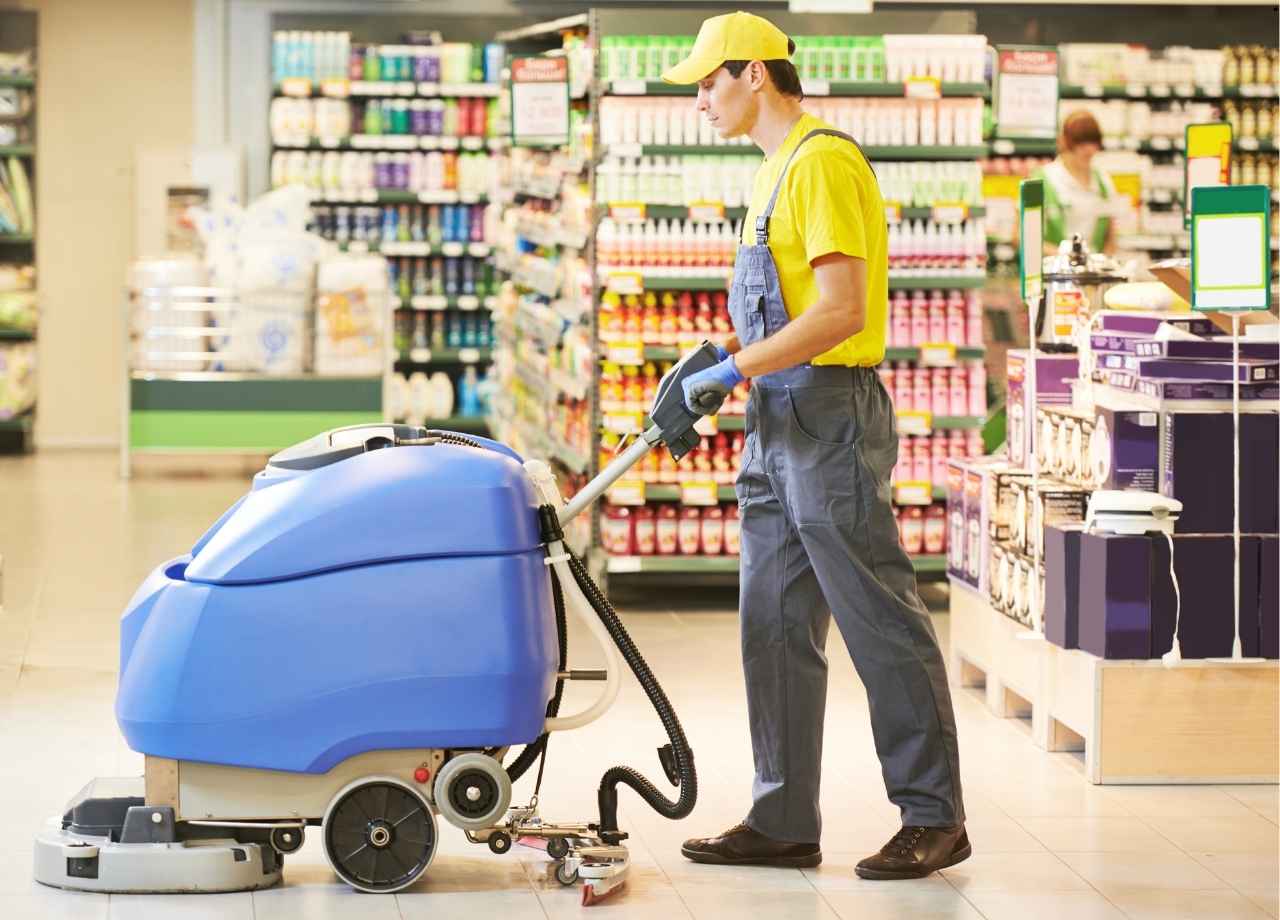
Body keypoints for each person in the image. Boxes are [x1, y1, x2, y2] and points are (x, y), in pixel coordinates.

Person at [668, 12, 968, 881]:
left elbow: (840, 310)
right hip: (776, 420)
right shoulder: (771, 173)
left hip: (829, 417)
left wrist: (737, 368)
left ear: (755, 73)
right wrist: (731, 358)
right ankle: (783, 817)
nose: (700, 99)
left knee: (878, 620)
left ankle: (932, 815)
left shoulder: (822, 160)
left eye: (710, 81)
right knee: (772, 624)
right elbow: (791, 308)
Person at [1037, 110, 1122, 255]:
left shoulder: (1103, 182)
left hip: (1093, 273)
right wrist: (1066, 258)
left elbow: (1111, 238)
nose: (1089, 150)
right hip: (1054, 273)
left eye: (1093, 143)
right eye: (1081, 144)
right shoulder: (1042, 180)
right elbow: (1022, 239)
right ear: (1064, 142)